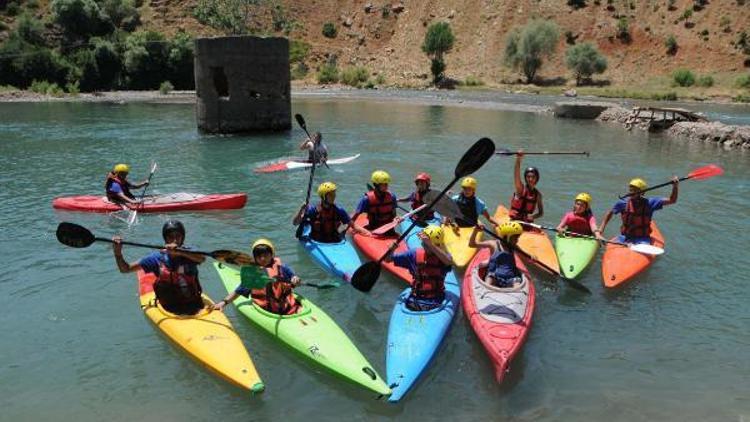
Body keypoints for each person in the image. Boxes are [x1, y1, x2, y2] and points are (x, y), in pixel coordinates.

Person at [112, 220, 206, 315]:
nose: (175, 240)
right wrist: (118, 253)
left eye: (178, 236)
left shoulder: (190, 253)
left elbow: (202, 259)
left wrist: (179, 252)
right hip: (168, 308)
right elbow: (125, 269)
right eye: (171, 237)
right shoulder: (157, 258)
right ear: (166, 239)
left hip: (194, 305)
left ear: (182, 238)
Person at [213, 239, 302, 316]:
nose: (262, 259)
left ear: (272, 255)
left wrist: (296, 280)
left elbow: (295, 279)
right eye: (259, 256)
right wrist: (223, 303)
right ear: (254, 258)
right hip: (267, 310)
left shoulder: (282, 268)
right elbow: (238, 291)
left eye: (266, 255)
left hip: (289, 307)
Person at [385, 225, 454, 311]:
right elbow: (387, 259)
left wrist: (430, 244)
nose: (423, 245)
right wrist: (391, 250)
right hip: (413, 300)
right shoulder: (413, 254)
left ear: (436, 244)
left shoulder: (444, 258)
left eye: (426, 244)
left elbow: (449, 261)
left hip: (435, 302)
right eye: (423, 243)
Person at [596, 177, 679, 244]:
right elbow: (610, 213)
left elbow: (672, 200)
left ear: (642, 192)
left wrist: (675, 187)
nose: (632, 192)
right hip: (624, 237)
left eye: (635, 190)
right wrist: (600, 231)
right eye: (631, 190)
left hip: (642, 239)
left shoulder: (650, 203)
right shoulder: (623, 203)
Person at [293, 181, 370, 242]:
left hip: (335, 240)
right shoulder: (313, 210)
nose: (334, 196)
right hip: (317, 241)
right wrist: (301, 210)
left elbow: (354, 226)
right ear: (323, 197)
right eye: (330, 195)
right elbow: (295, 223)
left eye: (334, 194)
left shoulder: (339, 210)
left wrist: (368, 233)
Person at [468, 221, 524, 289]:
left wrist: (532, 257)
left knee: (517, 283)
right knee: (489, 278)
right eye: (515, 238)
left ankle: (517, 294)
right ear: (507, 237)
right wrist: (475, 231)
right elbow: (472, 244)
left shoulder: (514, 247)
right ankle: (485, 290)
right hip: (494, 275)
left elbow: (525, 256)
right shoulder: (493, 244)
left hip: (510, 277)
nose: (517, 240)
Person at [509, 152, 544, 223]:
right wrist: (518, 159)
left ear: (537, 178)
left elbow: (541, 213)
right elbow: (516, 175)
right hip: (515, 222)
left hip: (527, 223)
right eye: (528, 177)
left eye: (533, 177)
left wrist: (533, 216)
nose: (530, 179)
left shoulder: (538, 195)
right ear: (525, 178)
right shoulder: (520, 189)